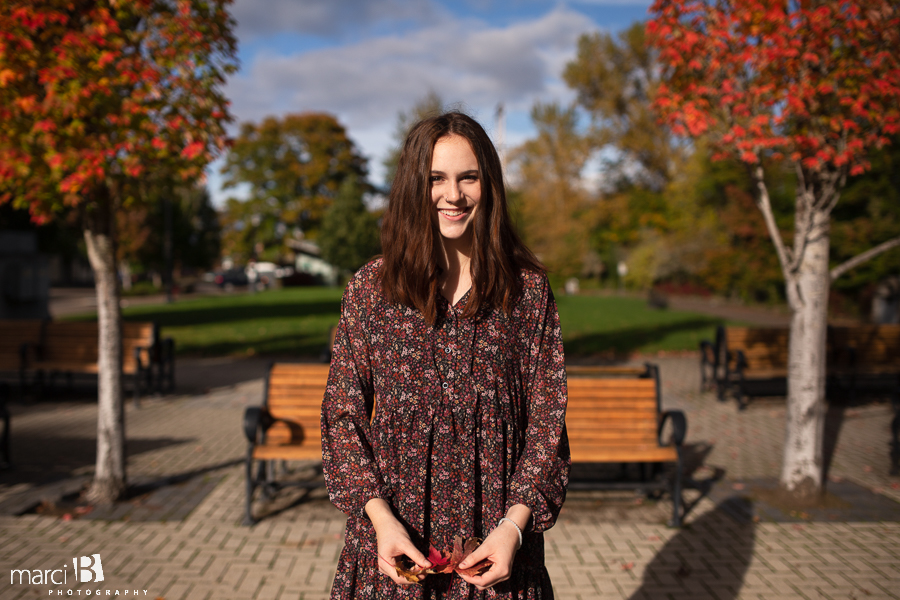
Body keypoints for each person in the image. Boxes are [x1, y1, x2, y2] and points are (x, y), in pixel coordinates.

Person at [321, 111, 569, 599]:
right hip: (395, 556)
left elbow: (547, 426)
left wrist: (515, 528)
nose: (453, 195)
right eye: (436, 178)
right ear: (415, 186)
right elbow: (341, 416)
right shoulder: (373, 290)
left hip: (497, 559)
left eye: (468, 177)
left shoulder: (527, 295)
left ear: (489, 185)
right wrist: (380, 520)